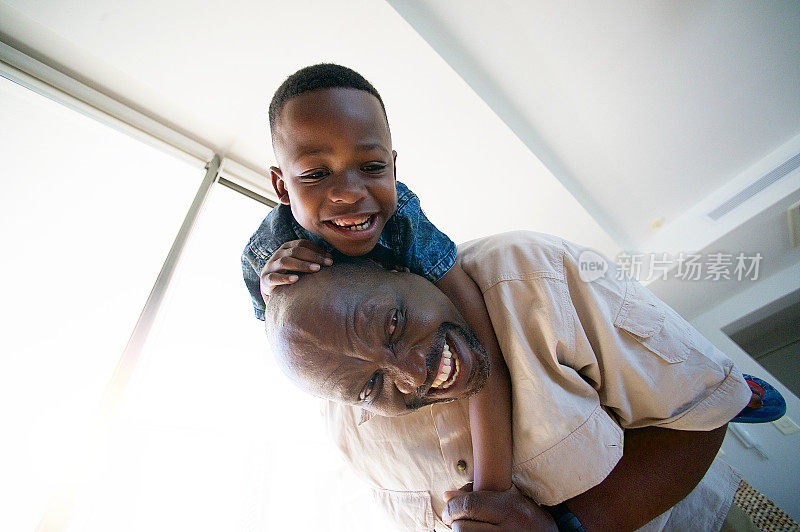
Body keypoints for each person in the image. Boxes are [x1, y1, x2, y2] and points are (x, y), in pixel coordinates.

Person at [264, 231, 758, 531]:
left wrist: (568, 528)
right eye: (372, 387)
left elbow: (705, 410)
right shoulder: (347, 432)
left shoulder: (535, 276)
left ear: (398, 266)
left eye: (392, 324)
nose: (413, 375)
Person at [241, 64, 513, 493]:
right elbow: (284, 334)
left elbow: (481, 338)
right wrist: (270, 291)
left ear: (393, 167)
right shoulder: (266, 250)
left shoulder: (403, 222)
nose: (349, 191)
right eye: (315, 174)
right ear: (281, 187)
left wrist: (494, 489)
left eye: (371, 166)